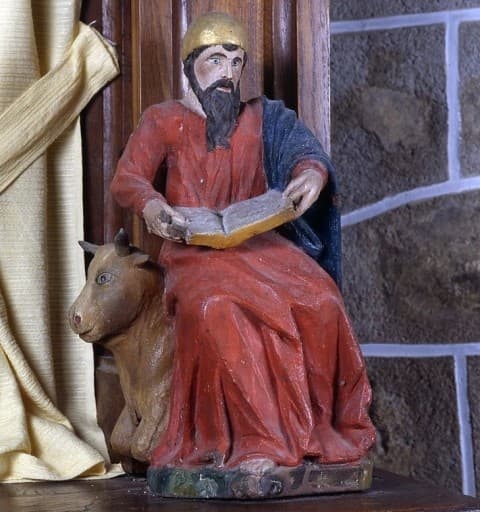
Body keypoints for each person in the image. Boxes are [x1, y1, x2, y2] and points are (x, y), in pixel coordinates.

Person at [111, 12, 375, 476]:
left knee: (322, 298)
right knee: (219, 309)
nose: (227, 73)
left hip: (258, 243)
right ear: (190, 66)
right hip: (193, 251)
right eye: (216, 60)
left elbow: (306, 154)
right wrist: (153, 207)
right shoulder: (163, 120)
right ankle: (258, 440)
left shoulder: (264, 117)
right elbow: (128, 179)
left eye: (236, 62)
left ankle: (319, 430)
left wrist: (311, 176)